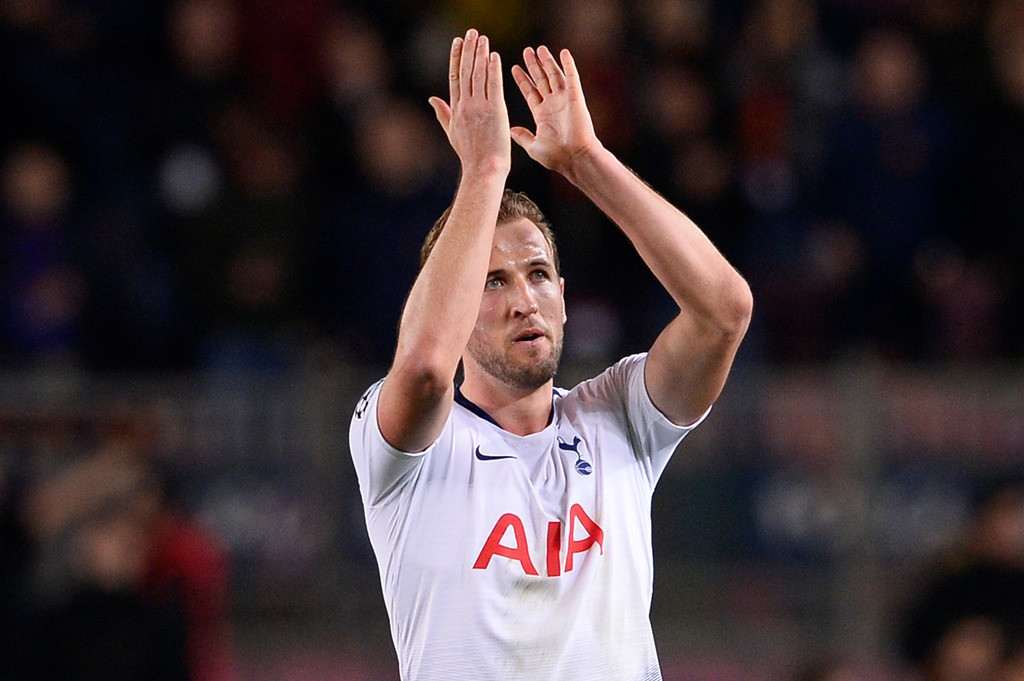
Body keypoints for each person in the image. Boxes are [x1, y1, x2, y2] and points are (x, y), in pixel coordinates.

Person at [349, 29, 752, 681]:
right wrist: (483, 171)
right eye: (491, 281)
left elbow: (724, 311)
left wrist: (586, 160)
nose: (523, 300)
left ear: (563, 297)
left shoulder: (619, 415)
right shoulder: (403, 442)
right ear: (448, 300)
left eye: (538, 275)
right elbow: (424, 365)